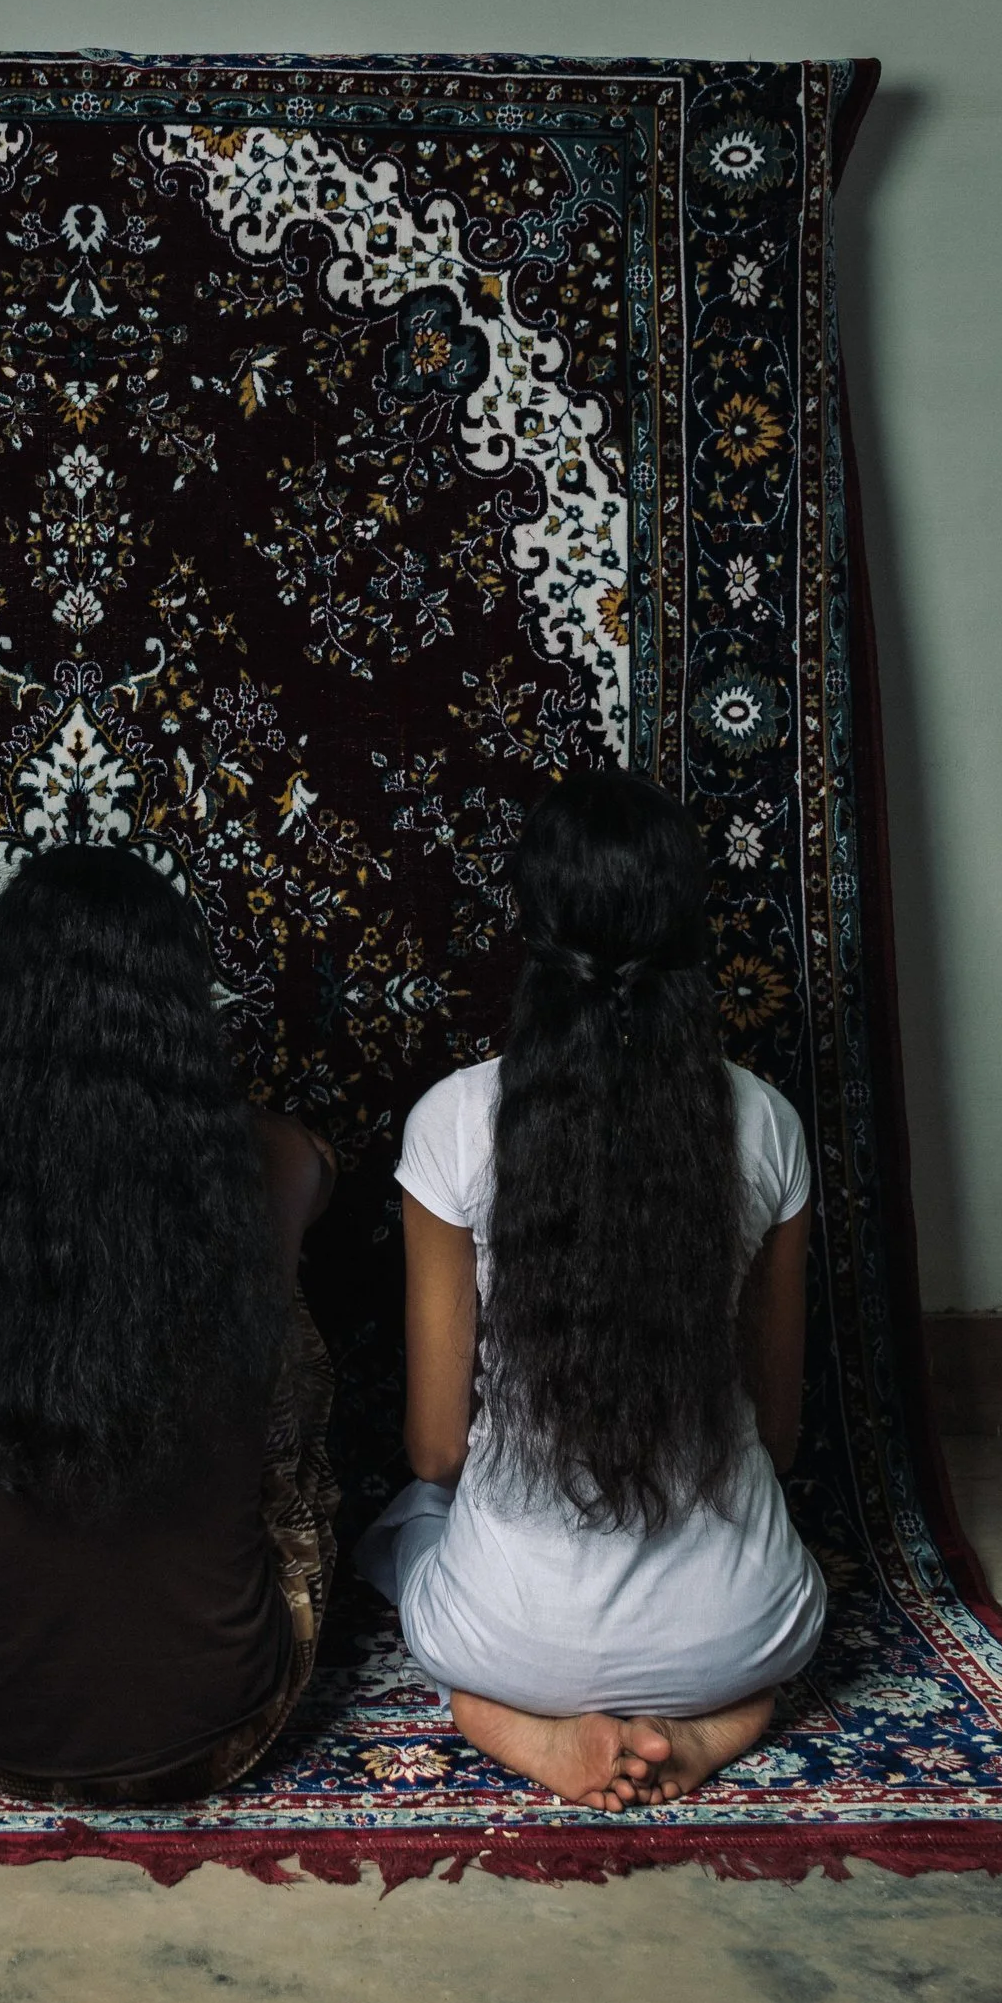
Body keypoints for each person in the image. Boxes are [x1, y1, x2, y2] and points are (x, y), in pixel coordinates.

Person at [358, 768, 824, 1811]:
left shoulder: (452, 1120)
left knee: (403, 1527)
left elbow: (435, 1447)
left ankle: (495, 1711)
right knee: (795, 1603)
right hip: (738, 1631)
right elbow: (783, 1433)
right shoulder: (768, 1122)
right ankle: (713, 1718)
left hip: (504, 1637)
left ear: (536, 922)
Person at [0, 844, 339, 1805]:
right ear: (182, 1012)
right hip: (225, 1714)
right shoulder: (273, 1164)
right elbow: (321, 1163)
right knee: (270, 1320)